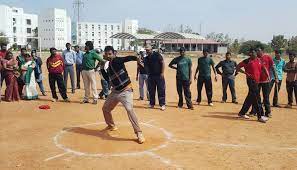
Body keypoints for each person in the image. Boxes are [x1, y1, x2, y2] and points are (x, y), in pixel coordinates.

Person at [101, 46, 145, 144]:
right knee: (105, 109)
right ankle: (111, 125)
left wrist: (136, 58)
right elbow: (107, 79)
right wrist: (102, 68)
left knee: (129, 109)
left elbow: (127, 58)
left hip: (126, 90)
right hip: (115, 91)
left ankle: (139, 133)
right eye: (106, 54)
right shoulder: (108, 65)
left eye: (110, 54)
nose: (108, 56)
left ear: (114, 53)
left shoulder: (117, 60)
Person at [236, 49, 269, 123]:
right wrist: (245, 73)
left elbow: (263, 68)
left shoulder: (259, 60)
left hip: (257, 81)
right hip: (251, 81)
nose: (255, 54)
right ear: (250, 54)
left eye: (255, 53)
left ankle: (242, 113)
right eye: (253, 53)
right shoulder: (247, 61)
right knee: (257, 98)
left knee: (250, 97)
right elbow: (237, 67)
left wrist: (267, 75)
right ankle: (260, 116)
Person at [250, 47, 278, 117]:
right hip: (257, 81)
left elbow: (273, 68)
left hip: (266, 81)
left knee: (266, 97)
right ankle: (254, 111)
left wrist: (276, 77)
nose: (257, 52)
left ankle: (268, 112)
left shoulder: (268, 57)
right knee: (256, 97)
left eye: (258, 51)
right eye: (256, 51)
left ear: (262, 51)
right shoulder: (255, 59)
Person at [145, 45, 166, 110]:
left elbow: (162, 63)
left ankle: (162, 104)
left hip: (159, 75)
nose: (147, 51)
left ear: (151, 49)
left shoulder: (157, 55)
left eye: (148, 50)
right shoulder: (146, 58)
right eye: (146, 50)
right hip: (151, 76)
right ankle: (152, 104)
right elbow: (146, 66)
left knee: (161, 90)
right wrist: (148, 73)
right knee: (151, 91)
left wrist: (162, 73)